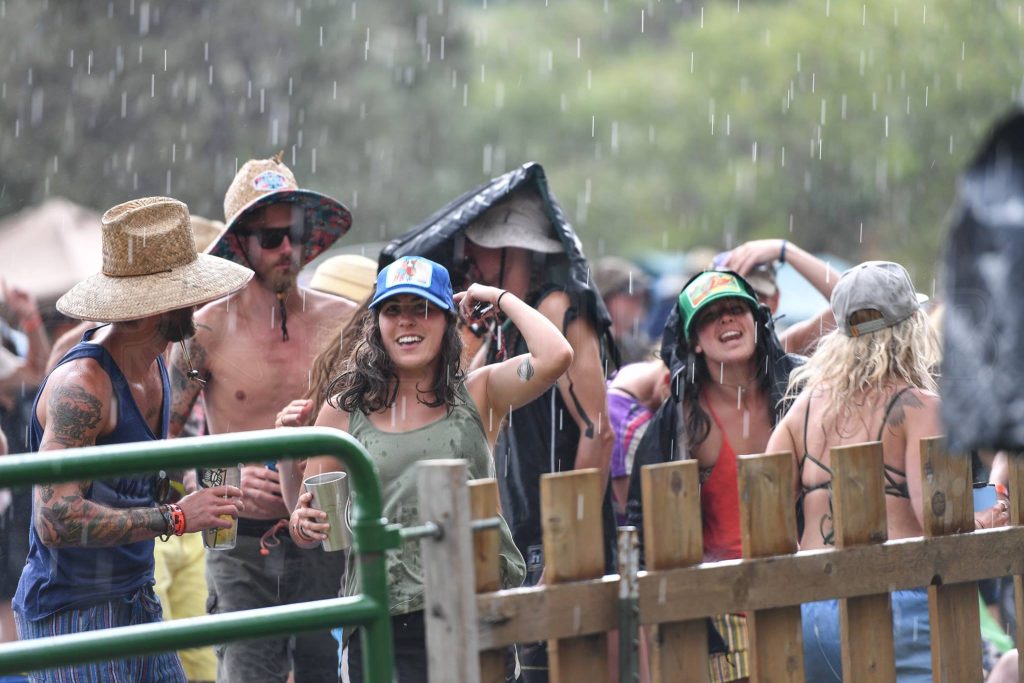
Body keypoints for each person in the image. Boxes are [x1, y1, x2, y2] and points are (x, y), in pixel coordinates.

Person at [287, 255, 571, 682]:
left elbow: (557, 355)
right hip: (381, 618)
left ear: (447, 320)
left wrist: (497, 297)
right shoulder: (342, 411)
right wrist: (303, 523)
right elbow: (305, 520)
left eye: (422, 309)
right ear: (376, 324)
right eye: (393, 310)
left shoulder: (480, 392)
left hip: (474, 609)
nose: (406, 321)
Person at [12, 197, 251, 682]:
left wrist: (190, 484)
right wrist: (178, 517)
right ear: (154, 307)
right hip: (72, 616)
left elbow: (134, 473)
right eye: (187, 292)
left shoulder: (158, 360)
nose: (197, 303)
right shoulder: (83, 385)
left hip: (136, 598)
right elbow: (54, 519)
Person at [168, 154, 355, 683]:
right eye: (272, 238)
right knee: (248, 673)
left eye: (294, 234)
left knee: (326, 672)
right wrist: (213, 480)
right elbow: (162, 440)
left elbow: (376, 420)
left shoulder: (342, 322)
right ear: (241, 244)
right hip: (240, 542)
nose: (287, 249)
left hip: (326, 529)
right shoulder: (203, 333)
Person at [764, 260, 974, 681]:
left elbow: (764, 513)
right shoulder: (919, 407)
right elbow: (942, 521)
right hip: (897, 597)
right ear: (910, 326)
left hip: (812, 606)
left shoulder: (804, 409)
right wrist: (985, 522)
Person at [626, 269, 804, 683]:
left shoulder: (799, 391)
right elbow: (644, 527)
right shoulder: (681, 420)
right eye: (710, 315)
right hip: (725, 610)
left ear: (756, 320)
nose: (726, 319)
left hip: (807, 592)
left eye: (736, 308)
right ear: (693, 341)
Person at [715, 238, 843, 355]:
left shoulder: (786, 350)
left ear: (774, 302)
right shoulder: (702, 359)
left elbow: (850, 303)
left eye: (754, 298)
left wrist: (784, 250)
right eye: (729, 300)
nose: (730, 317)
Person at [593, 256, 652, 364]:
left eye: (641, 299)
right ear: (606, 299)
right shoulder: (590, 343)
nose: (638, 305)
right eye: (631, 297)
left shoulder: (637, 343)